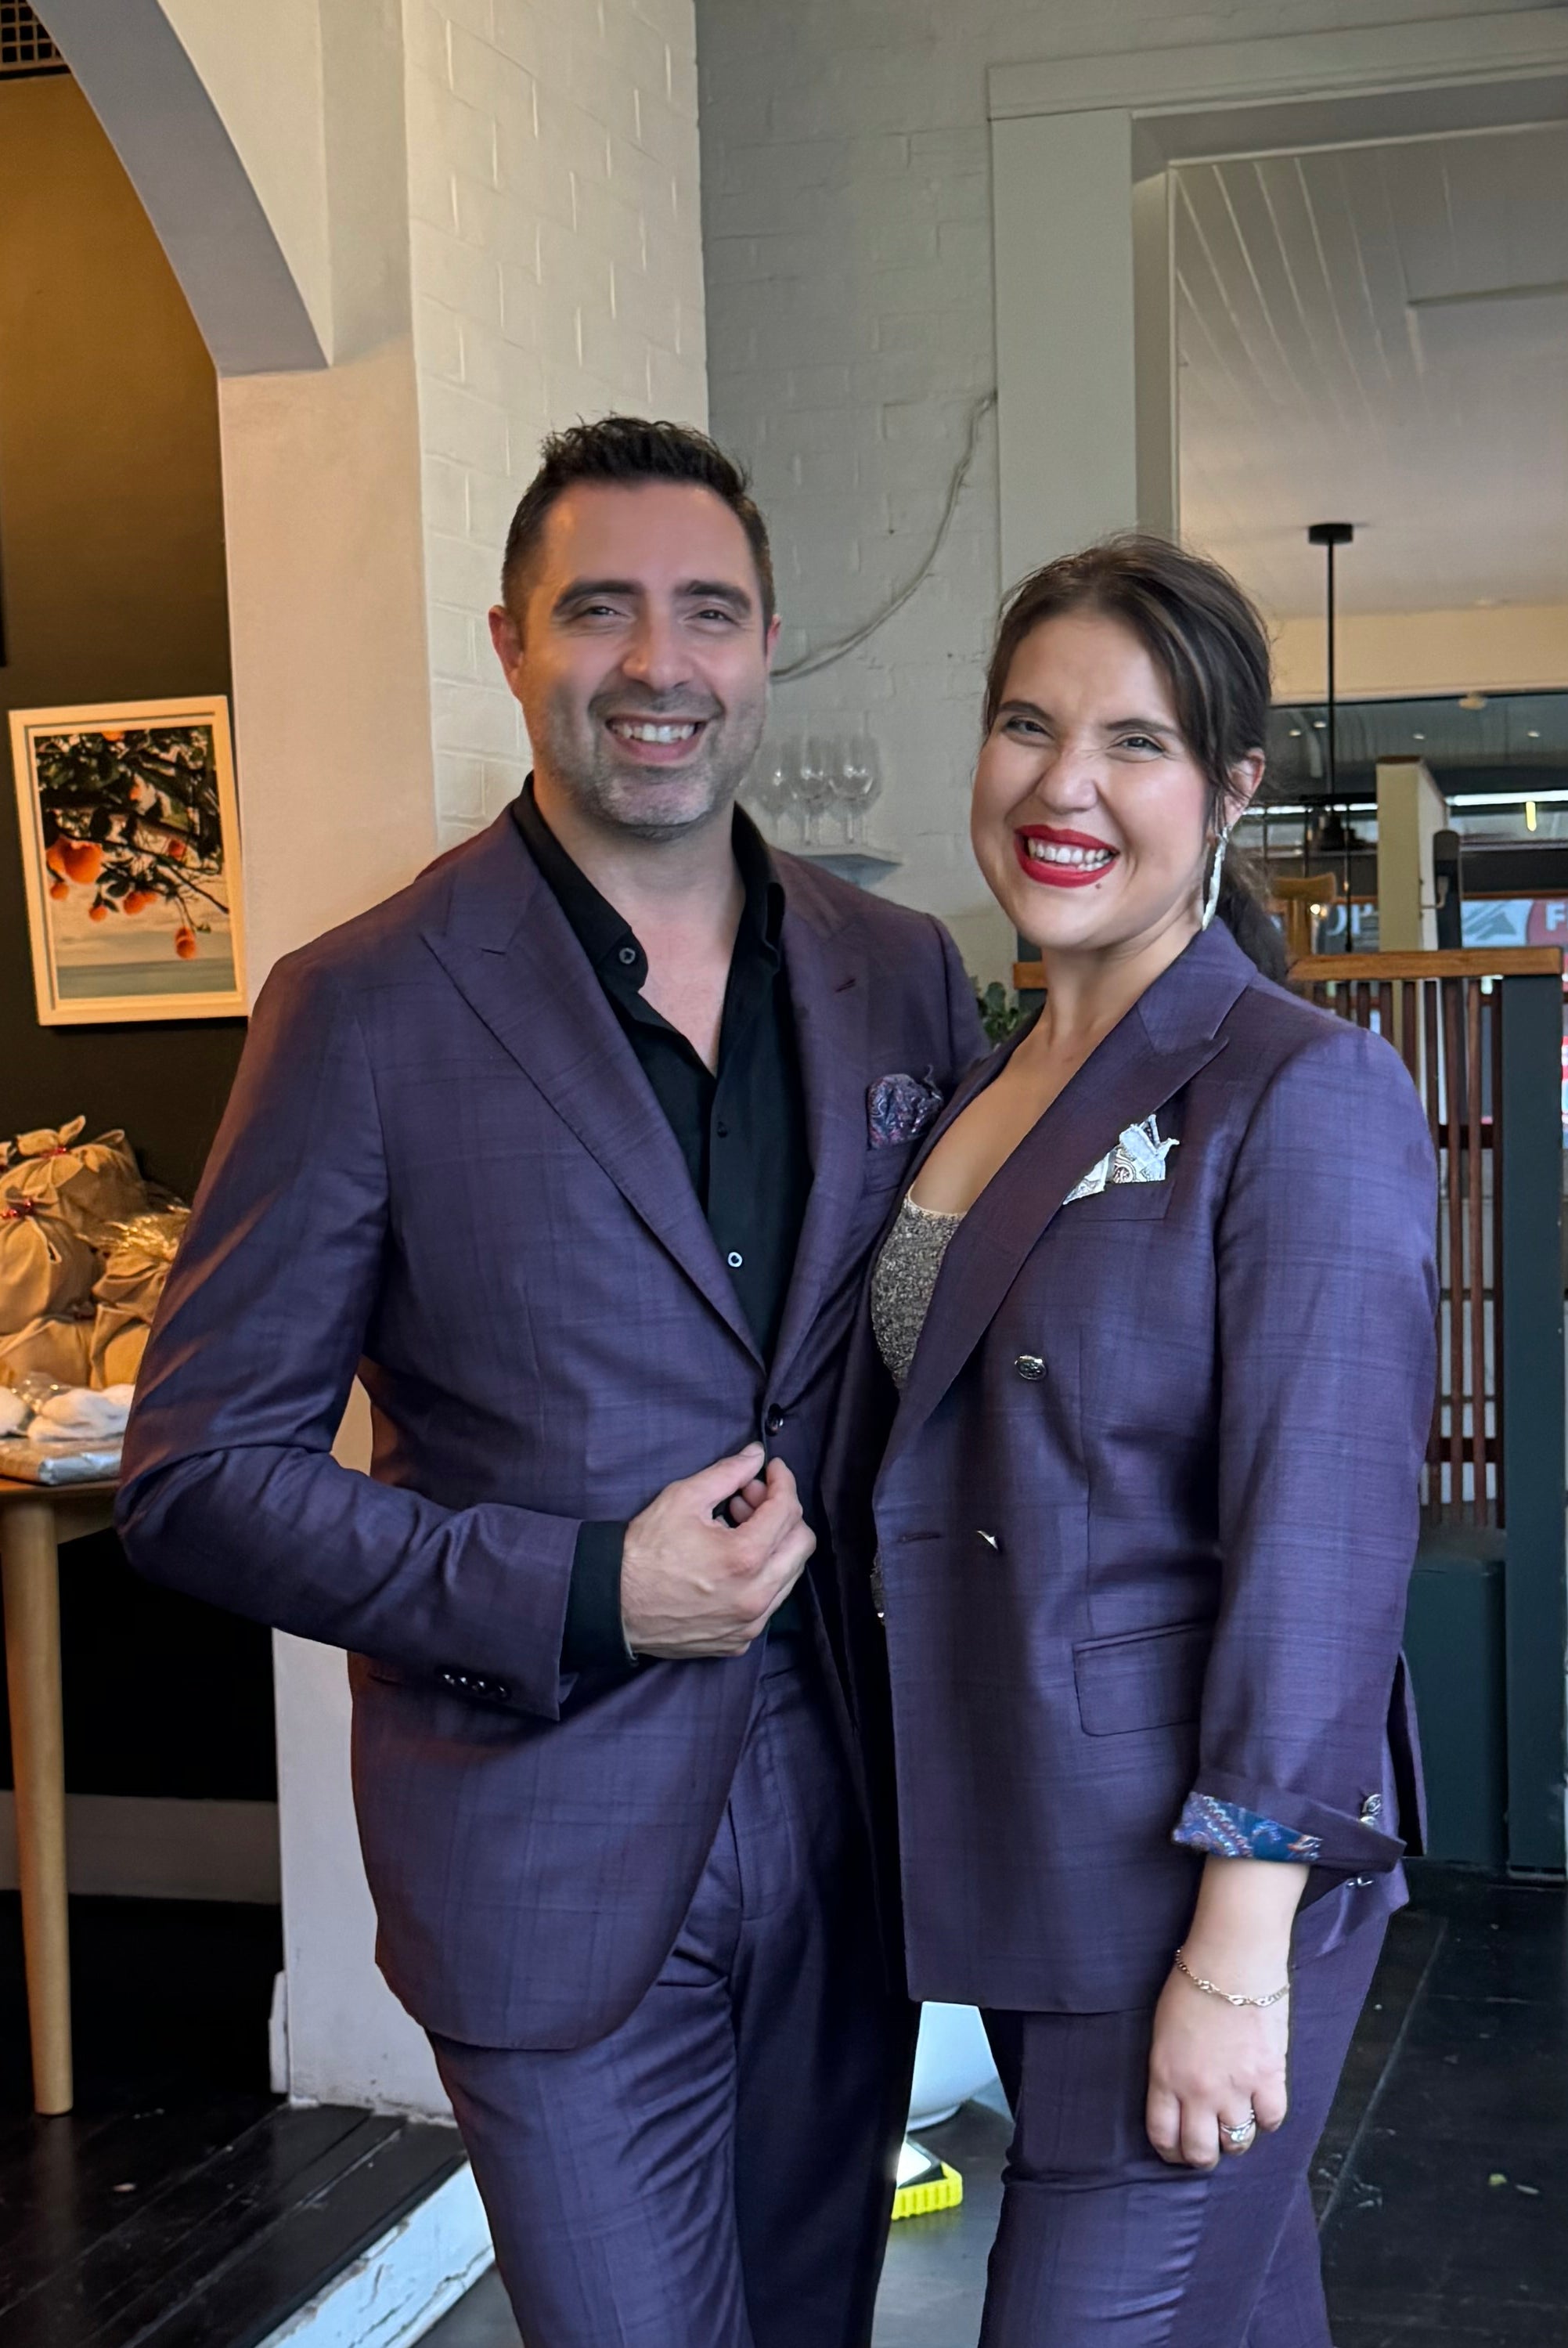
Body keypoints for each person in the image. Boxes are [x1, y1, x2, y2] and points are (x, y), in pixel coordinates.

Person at [117, 416, 982, 2348]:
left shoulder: (901, 973)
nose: (657, 666)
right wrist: (592, 1588)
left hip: (856, 1823)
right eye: (600, 611)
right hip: (545, 1840)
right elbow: (195, 1472)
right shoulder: (363, 1005)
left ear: (769, 649)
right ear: (511, 639)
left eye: (708, 614)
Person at [826, 535, 1437, 2345]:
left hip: (1196, 1897)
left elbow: (1320, 1553)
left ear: (1232, 791)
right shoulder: (978, 1074)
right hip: (1021, 1852)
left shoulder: (1297, 1088)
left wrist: (1237, 1965)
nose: (1062, 785)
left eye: (1135, 743)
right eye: (1026, 724)